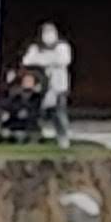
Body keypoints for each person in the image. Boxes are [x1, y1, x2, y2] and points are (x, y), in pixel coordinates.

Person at [27, 16, 74, 145]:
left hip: (58, 87)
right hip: (39, 87)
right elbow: (28, 60)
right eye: (45, 32)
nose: (48, 35)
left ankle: (63, 138)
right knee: (35, 114)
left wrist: (44, 60)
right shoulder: (35, 47)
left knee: (58, 113)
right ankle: (35, 137)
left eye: (51, 31)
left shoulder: (62, 47)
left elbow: (64, 61)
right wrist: (45, 61)